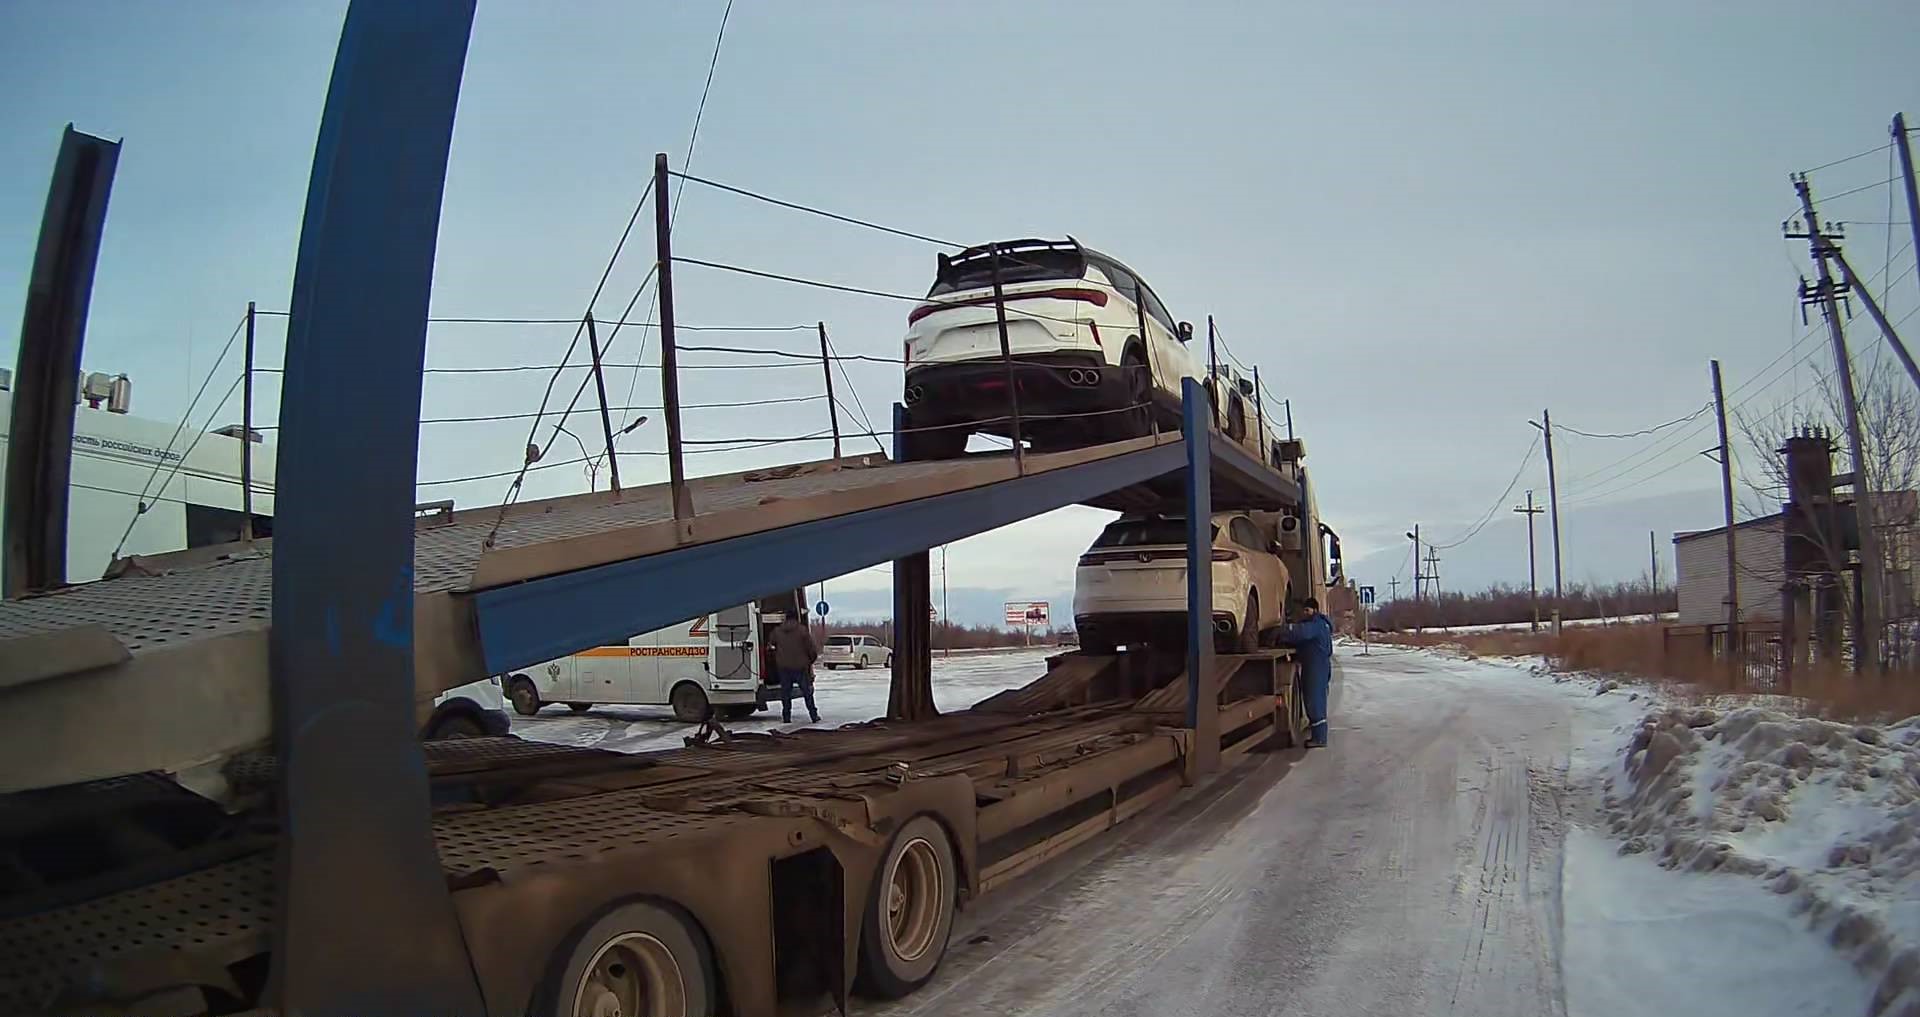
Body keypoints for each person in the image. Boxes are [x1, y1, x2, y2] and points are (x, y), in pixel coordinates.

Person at [1270, 597, 1333, 747]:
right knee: (1316, 700)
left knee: (1314, 701)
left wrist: (1284, 630)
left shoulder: (1316, 624)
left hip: (1315, 667)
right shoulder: (1321, 624)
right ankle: (1319, 735)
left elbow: (1301, 633)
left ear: (1315, 610)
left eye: (1307, 610)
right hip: (1317, 665)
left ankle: (1319, 738)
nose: (1305, 613)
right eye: (1304, 610)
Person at [771, 610, 821, 724]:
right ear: (796, 618)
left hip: (783, 667)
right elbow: (810, 648)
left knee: (785, 693)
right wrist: (810, 660)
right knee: (807, 692)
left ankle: (786, 716)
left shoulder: (777, 631)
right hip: (800, 666)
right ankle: (813, 715)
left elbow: (771, 643)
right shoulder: (802, 630)